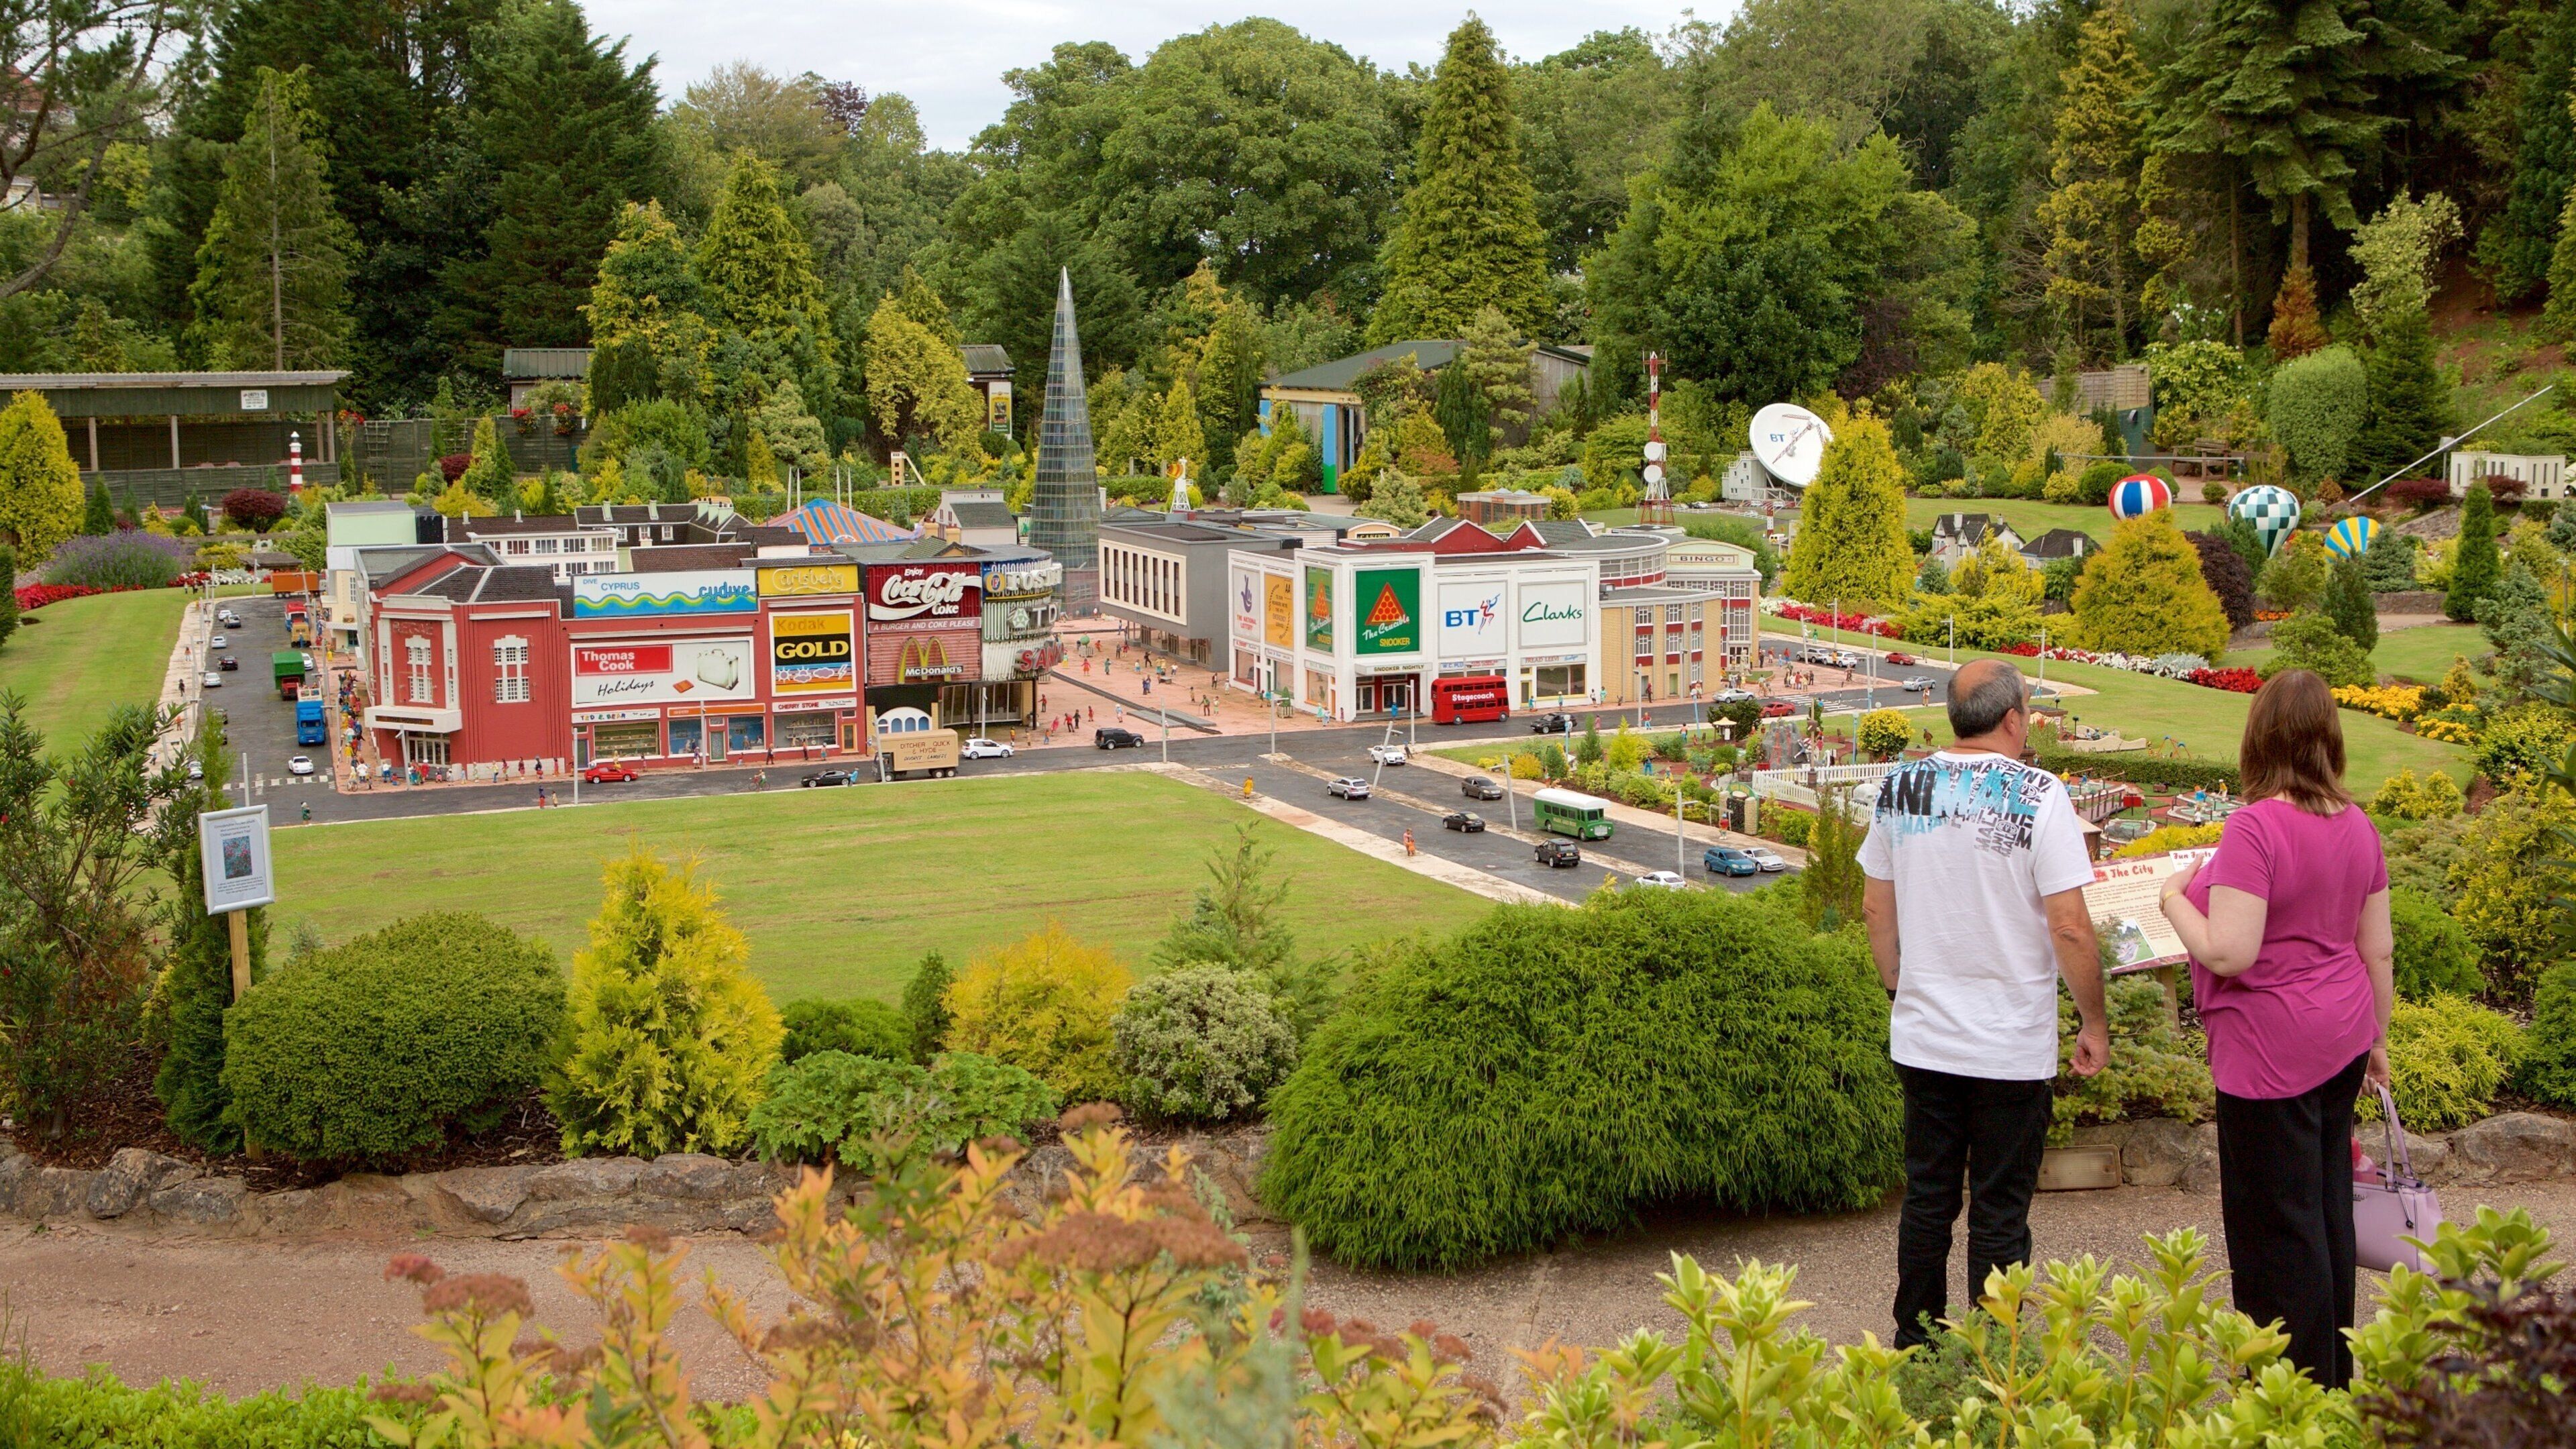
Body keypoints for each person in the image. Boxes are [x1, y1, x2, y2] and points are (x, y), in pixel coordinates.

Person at [1858, 659, 2108, 1348]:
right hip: (2009, 1046)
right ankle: (1996, 1358)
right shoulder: (2042, 794)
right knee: (2000, 1213)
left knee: (1928, 1200)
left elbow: (1875, 907)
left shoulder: (1900, 786)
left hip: (1924, 1038)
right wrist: (2094, 1020)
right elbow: (2069, 926)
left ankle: (1917, 1349)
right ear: (2013, 720)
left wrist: (1898, 988)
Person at [2157, 669, 2392, 1389]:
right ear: (2330, 739)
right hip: (2342, 1036)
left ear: (2259, 738)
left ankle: (2289, 1393)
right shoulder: (2358, 824)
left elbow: (2229, 951)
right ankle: (2333, 1376)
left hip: (2268, 1054)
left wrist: (2171, 899)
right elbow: (2378, 949)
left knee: (2275, 1230)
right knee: (2326, 1208)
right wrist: (2378, 1041)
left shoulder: (2255, 827)